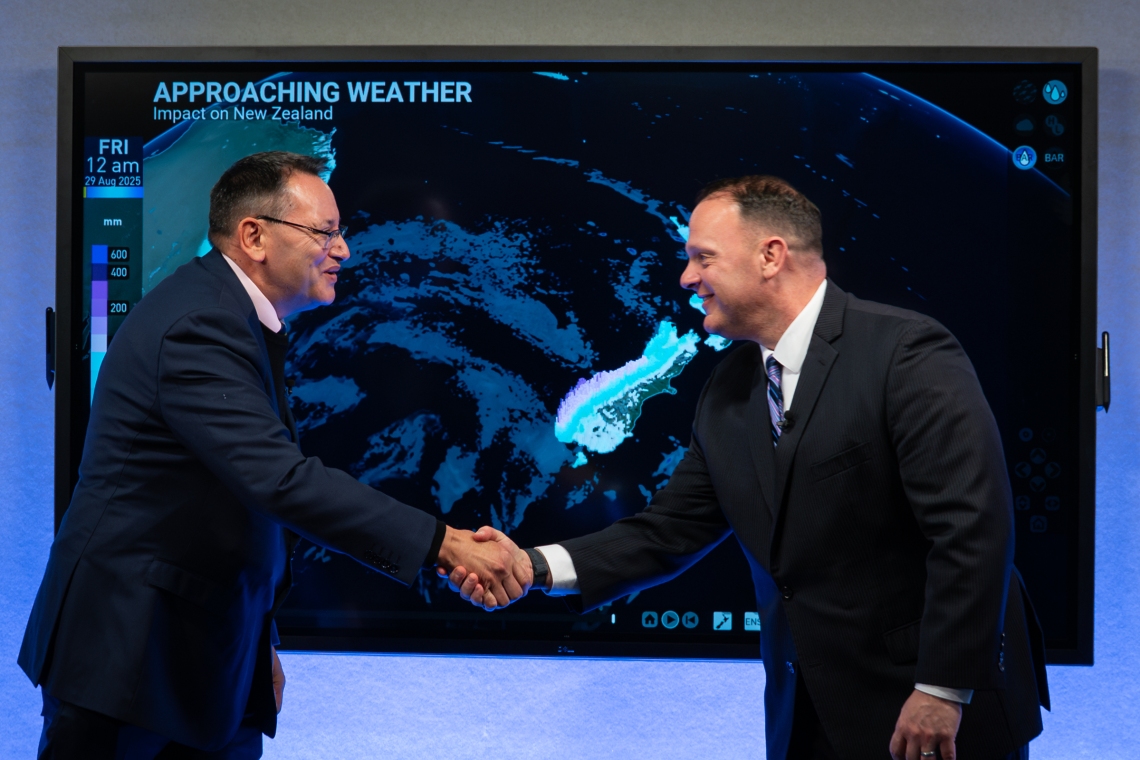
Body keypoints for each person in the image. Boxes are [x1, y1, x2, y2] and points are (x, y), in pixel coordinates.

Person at [448, 176, 1050, 760]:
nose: (687, 277)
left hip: (927, 719)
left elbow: (971, 528)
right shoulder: (730, 388)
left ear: (770, 256)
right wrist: (532, 566)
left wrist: (942, 689)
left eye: (702, 257)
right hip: (807, 720)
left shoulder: (907, 353)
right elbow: (667, 533)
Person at [20, 151, 523, 759]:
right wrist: (443, 543)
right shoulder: (200, 323)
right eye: (325, 232)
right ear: (253, 236)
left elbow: (231, 504)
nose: (344, 251)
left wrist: (258, 641)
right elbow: (278, 481)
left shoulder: (230, 314)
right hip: (128, 663)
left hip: (202, 657)